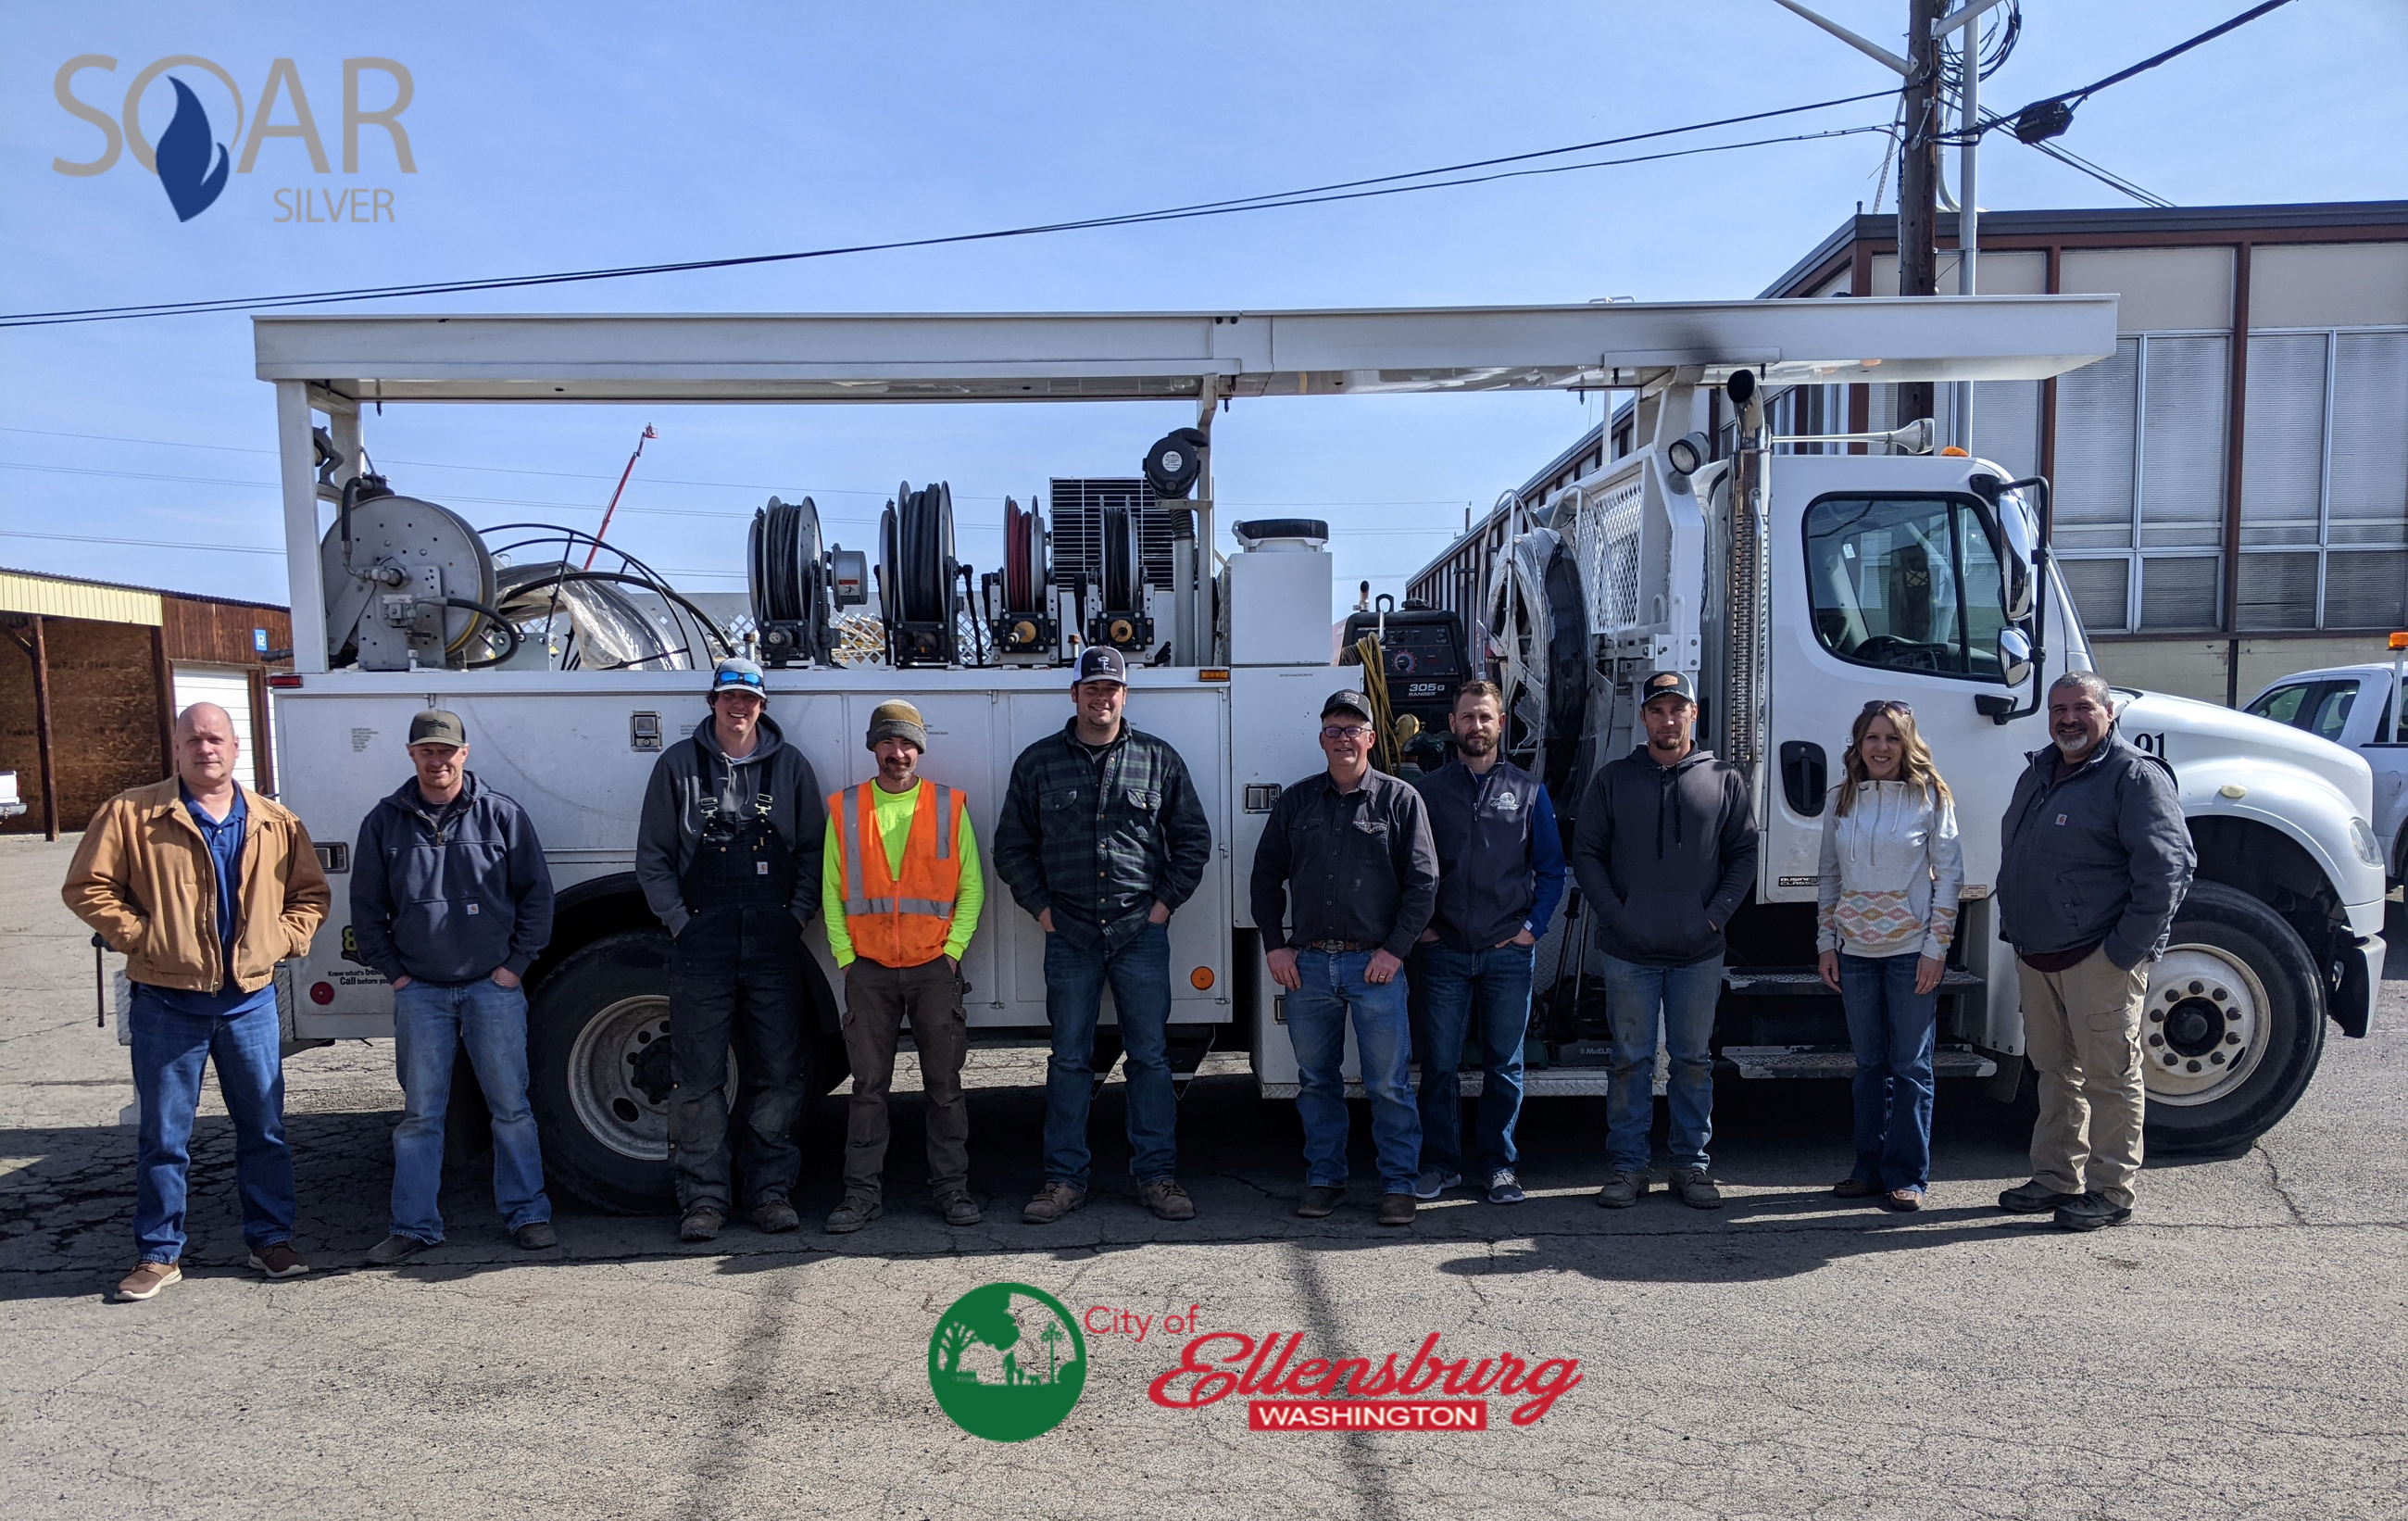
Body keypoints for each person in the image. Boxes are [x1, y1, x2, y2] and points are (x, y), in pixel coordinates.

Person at [63, 703, 331, 1303]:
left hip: (250, 1003)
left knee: (263, 1129)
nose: (205, 748)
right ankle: (159, 1254)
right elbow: (87, 887)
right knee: (163, 1134)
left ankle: (271, 1240)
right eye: (193, 740)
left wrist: (279, 940)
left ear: (237, 749)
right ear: (177, 750)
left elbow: (310, 895)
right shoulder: (131, 814)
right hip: (165, 1001)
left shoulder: (274, 821)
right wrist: (142, 938)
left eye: (216, 739)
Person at [995, 647, 1213, 1225]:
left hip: (1140, 931)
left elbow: (1193, 840)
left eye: (1111, 688)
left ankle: (1158, 1177)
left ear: (1125, 695)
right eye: (1091, 687)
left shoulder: (1157, 760)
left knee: (1150, 1058)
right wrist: (1043, 912)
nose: (1101, 697)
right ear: (1074, 695)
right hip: (1067, 934)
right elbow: (1010, 849)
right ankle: (1063, 1180)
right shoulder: (1038, 763)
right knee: (1069, 1060)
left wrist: (1162, 908)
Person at [350, 710, 558, 1263]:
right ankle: (414, 1225)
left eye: (447, 751)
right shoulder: (385, 822)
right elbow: (366, 909)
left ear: (464, 753)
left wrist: (515, 965)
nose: (437, 761)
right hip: (420, 991)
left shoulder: (502, 816)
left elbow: (537, 896)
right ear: (411, 754)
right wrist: (395, 973)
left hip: (493, 988)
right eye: (427, 751)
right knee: (420, 1116)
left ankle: (528, 1214)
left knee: (511, 1107)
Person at [635, 657, 826, 1242]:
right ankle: (704, 1199)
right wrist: (678, 922)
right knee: (697, 1078)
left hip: (772, 941)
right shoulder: (677, 766)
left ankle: (769, 1192)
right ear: (712, 702)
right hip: (702, 943)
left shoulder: (790, 767)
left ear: (762, 706)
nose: (738, 708)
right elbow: (653, 858)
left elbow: (817, 854)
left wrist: (796, 917)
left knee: (781, 1073)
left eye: (749, 699)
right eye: (728, 698)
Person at [1996, 671, 2195, 1232]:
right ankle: (2057, 1177)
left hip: (2098, 958)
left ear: (2108, 714)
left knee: (2110, 1074)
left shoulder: (2134, 777)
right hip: (2039, 954)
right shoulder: (2039, 772)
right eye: (2058, 709)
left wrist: (2124, 951)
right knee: (2054, 1071)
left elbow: (2169, 870)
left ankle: (2111, 1190)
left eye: (2082, 707)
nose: (2067, 719)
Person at [1248, 689, 1440, 1226]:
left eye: (1353, 730)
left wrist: (1395, 951)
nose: (1343, 739)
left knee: (1388, 1083)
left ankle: (1399, 1184)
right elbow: (1265, 876)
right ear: (1321, 739)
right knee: (1317, 1082)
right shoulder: (1297, 802)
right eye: (1334, 730)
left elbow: (1423, 884)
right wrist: (1274, 943)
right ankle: (1325, 1179)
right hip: (1307, 966)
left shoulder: (1401, 800)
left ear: (1372, 739)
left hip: (1375, 968)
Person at [1571, 670, 1756, 1211]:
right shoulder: (1612, 780)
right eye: (1657, 710)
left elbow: (1743, 855)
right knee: (1629, 1061)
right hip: (1629, 950)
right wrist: (1617, 916)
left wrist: (1714, 917)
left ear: (1693, 714)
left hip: (1699, 950)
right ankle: (1628, 1168)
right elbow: (1587, 855)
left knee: (1693, 1061)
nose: (1667, 719)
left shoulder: (1723, 779)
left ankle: (1691, 1169)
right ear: (1644, 717)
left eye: (1678, 709)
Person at [821, 700, 985, 1233]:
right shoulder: (845, 808)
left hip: (935, 968)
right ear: (874, 747)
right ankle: (861, 1194)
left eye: (907, 744)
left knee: (945, 1086)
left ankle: (953, 1190)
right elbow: (832, 889)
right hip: (868, 971)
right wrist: (847, 959)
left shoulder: (948, 806)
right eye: (888, 743)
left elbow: (971, 887)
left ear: (920, 749)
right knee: (868, 1090)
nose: (898, 753)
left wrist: (952, 951)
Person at [1409, 681, 1566, 1206]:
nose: (1477, 726)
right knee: (1439, 1066)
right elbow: (1407, 868)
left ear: (1502, 724)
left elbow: (1549, 869)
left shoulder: (1527, 791)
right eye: (1467, 717)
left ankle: (1500, 1165)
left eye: (1486, 717)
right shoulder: (1426, 793)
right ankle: (1439, 1164)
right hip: (1443, 952)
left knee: (1505, 1065)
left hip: (1507, 953)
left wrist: (1530, 931)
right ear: (1451, 725)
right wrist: (1425, 930)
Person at [1814, 699, 1963, 1213]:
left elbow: (1949, 879)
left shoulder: (1931, 798)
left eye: (1892, 738)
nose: (1881, 748)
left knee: (1911, 1066)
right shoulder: (1841, 799)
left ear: (1908, 744)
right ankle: (1868, 1168)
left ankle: (1908, 1176)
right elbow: (1829, 878)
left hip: (1910, 953)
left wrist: (1935, 949)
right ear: (1858, 745)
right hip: (1854, 951)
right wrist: (1826, 942)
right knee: (1869, 1066)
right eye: (1872, 738)